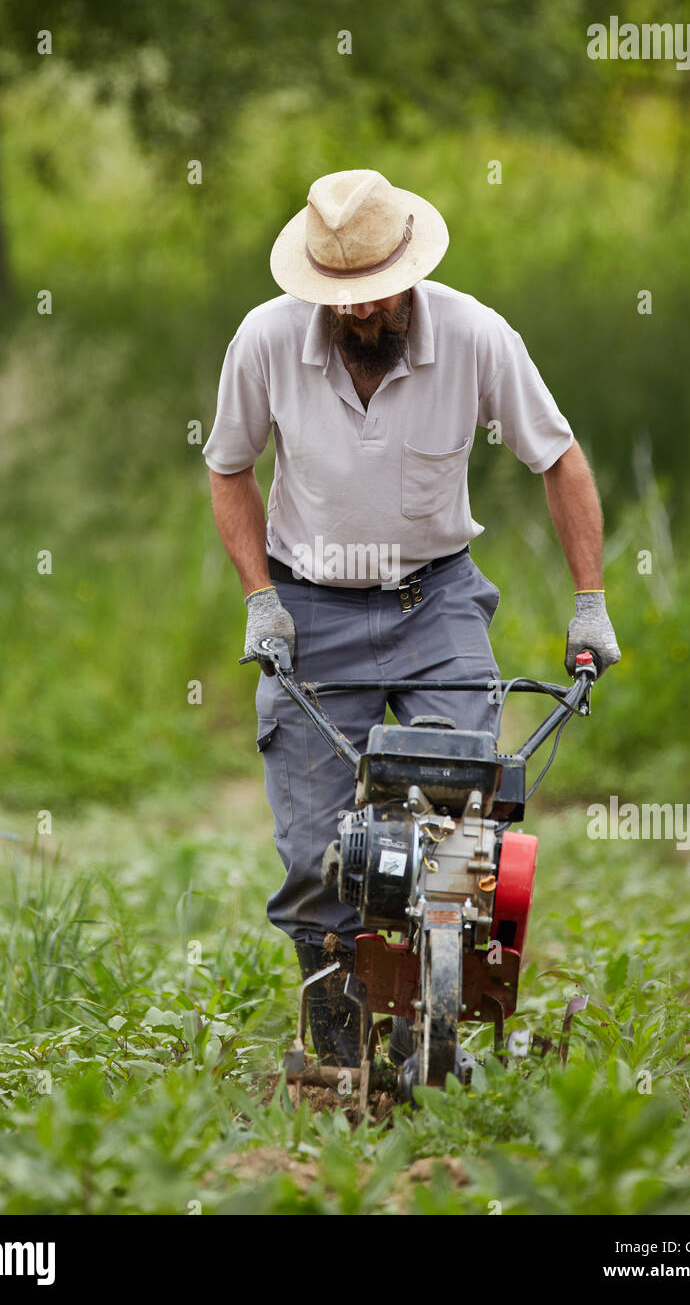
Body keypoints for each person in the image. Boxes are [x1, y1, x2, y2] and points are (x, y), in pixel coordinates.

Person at [203, 168, 620, 1066]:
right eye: (341, 300)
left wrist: (589, 603)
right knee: (318, 847)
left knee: (465, 820)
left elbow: (560, 457)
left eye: (375, 296)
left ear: (410, 270)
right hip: (309, 606)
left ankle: (445, 1018)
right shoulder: (267, 339)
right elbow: (228, 467)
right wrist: (261, 601)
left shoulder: (475, 335)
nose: (360, 315)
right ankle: (337, 1025)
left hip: (435, 602)